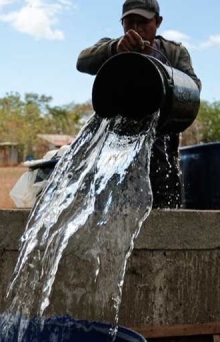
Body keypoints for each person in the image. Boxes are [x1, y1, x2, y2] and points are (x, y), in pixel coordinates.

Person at [76, 0, 201, 209]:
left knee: (166, 209)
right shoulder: (114, 47)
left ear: (158, 22)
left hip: (162, 152)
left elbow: (193, 89)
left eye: (143, 22)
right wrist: (115, 49)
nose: (136, 29)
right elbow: (82, 62)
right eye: (129, 23)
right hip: (117, 152)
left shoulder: (173, 52)